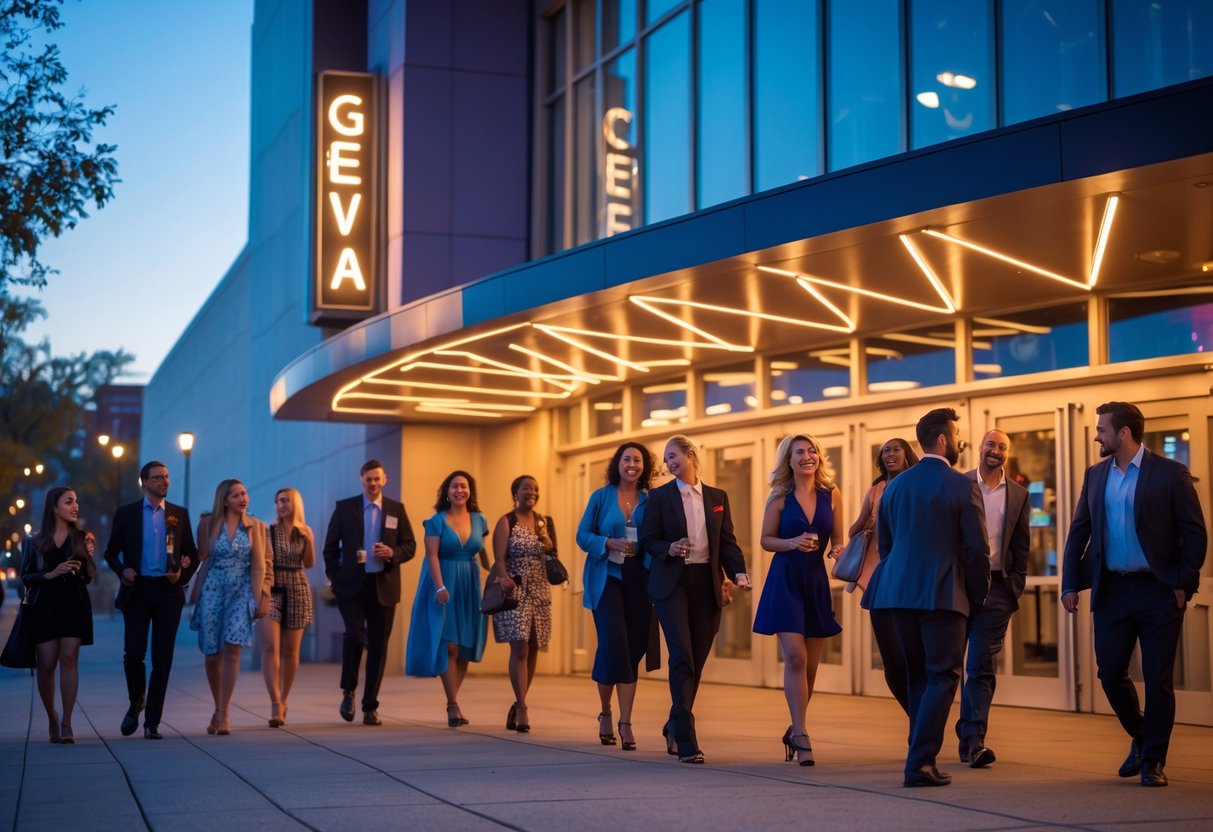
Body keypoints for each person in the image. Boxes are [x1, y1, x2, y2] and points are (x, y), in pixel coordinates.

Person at [1061, 401, 1206, 788]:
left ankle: (1153, 760)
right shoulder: (1094, 476)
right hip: (1113, 591)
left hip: (1158, 592)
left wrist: (1183, 582)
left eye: (1102, 429)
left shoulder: (1169, 474)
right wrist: (1070, 583)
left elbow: (1195, 534)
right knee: (1109, 672)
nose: (1097, 435)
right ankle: (1143, 737)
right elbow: (1080, 531)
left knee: (1158, 679)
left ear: (1124, 433)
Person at [867, 408, 989, 787]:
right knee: (944, 675)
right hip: (942, 594)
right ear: (942, 440)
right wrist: (977, 596)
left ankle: (921, 758)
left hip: (897, 592)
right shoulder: (961, 485)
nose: (959, 442)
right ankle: (919, 764)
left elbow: (886, 546)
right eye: (956, 435)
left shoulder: (895, 486)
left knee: (918, 678)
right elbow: (977, 551)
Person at [640, 434, 751, 764]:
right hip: (672, 583)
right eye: (666, 458)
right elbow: (648, 540)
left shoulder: (717, 497)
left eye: (673, 455)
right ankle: (686, 740)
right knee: (682, 656)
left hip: (706, 583)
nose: (668, 462)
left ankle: (675, 721)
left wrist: (739, 572)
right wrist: (669, 548)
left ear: (690, 455)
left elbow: (727, 542)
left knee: (696, 659)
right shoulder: (659, 497)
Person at [753, 434, 844, 766]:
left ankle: (795, 728)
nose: (808, 456)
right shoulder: (778, 497)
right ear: (788, 461)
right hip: (785, 581)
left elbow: (838, 541)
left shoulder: (832, 495)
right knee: (795, 657)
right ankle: (803, 734)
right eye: (800, 452)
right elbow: (765, 540)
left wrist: (837, 550)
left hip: (816, 582)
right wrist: (792, 543)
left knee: (811, 666)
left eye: (812, 451)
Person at [104, 460, 199, 740]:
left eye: (167, 477)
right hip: (138, 590)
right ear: (144, 482)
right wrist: (124, 571)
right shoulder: (127, 513)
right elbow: (111, 552)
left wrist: (181, 573)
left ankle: (152, 721)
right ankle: (137, 701)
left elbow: (192, 554)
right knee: (133, 653)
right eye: (157, 478)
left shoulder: (178, 514)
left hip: (168, 593)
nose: (164, 482)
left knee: (162, 658)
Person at [576, 442, 659, 751]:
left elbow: (656, 537)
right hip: (607, 579)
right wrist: (608, 542)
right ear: (618, 463)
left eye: (637, 460)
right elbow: (582, 535)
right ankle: (617, 718)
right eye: (627, 459)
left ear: (643, 466)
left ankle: (616, 714)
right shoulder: (600, 496)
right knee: (615, 644)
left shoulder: (650, 501)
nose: (632, 464)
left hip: (640, 580)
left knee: (632, 649)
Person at [956, 429, 1030, 769]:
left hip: (998, 589)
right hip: (957, 586)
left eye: (1002, 447)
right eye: (991, 444)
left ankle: (974, 740)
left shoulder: (1017, 494)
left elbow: (1022, 544)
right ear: (981, 448)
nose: (996, 451)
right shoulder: (960, 485)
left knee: (980, 665)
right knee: (949, 665)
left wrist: (1015, 584)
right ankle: (960, 733)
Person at [323, 459, 416, 726]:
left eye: (377, 479)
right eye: (368, 479)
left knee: (378, 645)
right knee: (354, 634)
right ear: (361, 480)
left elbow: (410, 545)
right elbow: (330, 547)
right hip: (351, 585)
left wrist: (393, 553)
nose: (373, 483)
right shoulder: (345, 508)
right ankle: (348, 690)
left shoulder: (396, 509)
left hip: (383, 585)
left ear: (384, 479)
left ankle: (370, 706)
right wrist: (334, 574)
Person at [405, 470, 490, 727]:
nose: (459, 491)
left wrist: (498, 573)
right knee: (449, 645)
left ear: (470, 491)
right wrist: (439, 587)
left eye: (464, 486)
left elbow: (482, 552)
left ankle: (453, 698)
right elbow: (431, 556)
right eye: (454, 486)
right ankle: (452, 704)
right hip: (444, 582)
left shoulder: (480, 519)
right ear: (447, 491)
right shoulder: (435, 521)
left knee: (464, 647)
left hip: (470, 583)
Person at [189, 479, 272, 735]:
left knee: (232, 648)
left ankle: (224, 712)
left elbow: (266, 563)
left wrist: (264, 594)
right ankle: (217, 706)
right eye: (236, 495)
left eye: (244, 494)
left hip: (242, 590)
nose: (243, 499)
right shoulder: (207, 524)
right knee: (212, 653)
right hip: (213, 589)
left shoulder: (258, 527)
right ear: (225, 500)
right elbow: (198, 556)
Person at [22, 487, 96, 744]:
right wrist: (51, 574)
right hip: (44, 607)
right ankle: (52, 716)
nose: (75, 506)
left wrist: (88, 557)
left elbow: (87, 578)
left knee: (69, 657)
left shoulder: (82, 538)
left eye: (76, 501)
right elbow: (26, 576)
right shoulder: (34, 541)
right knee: (46, 664)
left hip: (73, 604)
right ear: (54, 508)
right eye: (68, 501)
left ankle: (67, 722)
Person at [854, 438, 919, 714]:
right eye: (885, 451)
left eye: (896, 449)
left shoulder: (917, 484)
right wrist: (872, 516)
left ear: (908, 456)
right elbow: (854, 530)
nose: (890, 454)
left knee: (915, 658)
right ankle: (917, 717)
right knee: (892, 661)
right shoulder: (876, 490)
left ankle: (923, 722)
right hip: (880, 582)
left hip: (915, 582)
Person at [491, 475, 556, 733]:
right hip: (515, 590)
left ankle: (520, 700)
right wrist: (504, 578)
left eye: (536, 489)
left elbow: (553, 556)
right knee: (519, 647)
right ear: (515, 493)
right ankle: (522, 707)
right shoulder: (507, 521)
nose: (532, 492)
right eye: (526, 488)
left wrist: (550, 545)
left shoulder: (545, 522)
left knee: (534, 646)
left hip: (540, 590)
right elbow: (498, 558)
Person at [260, 487, 316, 728]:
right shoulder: (268, 530)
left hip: (297, 587)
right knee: (271, 646)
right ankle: (274, 702)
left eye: (285, 500)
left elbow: (310, 563)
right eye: (277, 501)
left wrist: (309, 538)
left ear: (295, 503)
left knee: (291, 651)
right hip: (272, 587)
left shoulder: (304, 532)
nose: (280, 505)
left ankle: (284, 699)